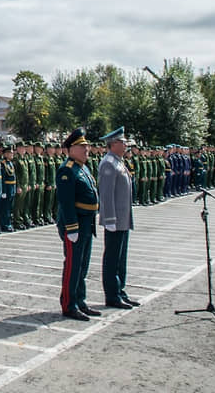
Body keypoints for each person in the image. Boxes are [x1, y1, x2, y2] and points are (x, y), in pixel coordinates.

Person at [56, 127, 100, 321]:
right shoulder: (67, 170)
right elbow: (66, 202)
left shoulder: (83, 168)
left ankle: (80, 300)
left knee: (82, 265)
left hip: (87, 223)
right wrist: (71, 227)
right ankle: (69, 304)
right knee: (73, 266)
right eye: (82, 146)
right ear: (71, 149)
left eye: (86, 146)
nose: (86, 149)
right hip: (75, 225)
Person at [97, 127, 140, 310]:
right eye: (123, 142)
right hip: (114, 220)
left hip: (123, 219)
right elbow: (106, 195)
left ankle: (120, 291)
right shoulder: (108, 163)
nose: (125, 145)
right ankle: (112, 295)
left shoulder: (118, 162)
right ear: (113, 144)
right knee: (112, 259)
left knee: (121, 259)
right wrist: (110, 219)